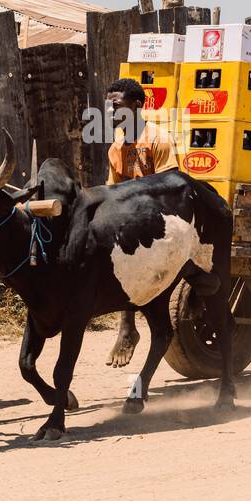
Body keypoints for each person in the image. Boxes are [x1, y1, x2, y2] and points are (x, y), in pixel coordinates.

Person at [104, 76, 180, 366]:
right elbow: (114, 193)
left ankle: (127, 327)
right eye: (108, 107)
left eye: (117, 106)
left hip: (165, 218)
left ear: (137, 106)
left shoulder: (158, 139)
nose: (111, 113)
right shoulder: (116, 148)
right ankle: (127, 325)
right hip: (134, 223)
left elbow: (171, 187)